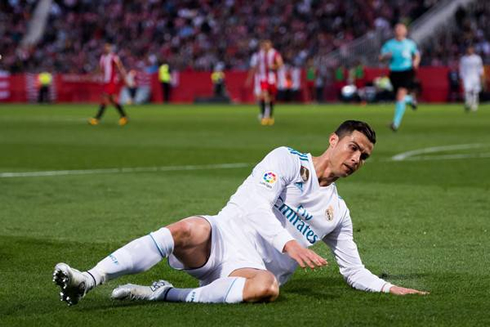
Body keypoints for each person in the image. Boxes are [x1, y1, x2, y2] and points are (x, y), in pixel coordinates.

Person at [53, 120, 428, 306]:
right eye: (353, 147)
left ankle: (166, 294)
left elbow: (352, 269)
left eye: (364, 156)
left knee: (269, 288)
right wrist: (288, 245)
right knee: (188, 227)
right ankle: (89, 277)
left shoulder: (337, 213)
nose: (357, 159)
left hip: (250, 270)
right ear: (333, 140)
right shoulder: (285, 159)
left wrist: (389, 287)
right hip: (220, 238)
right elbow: (255, 205)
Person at [379, 23, 421, 132]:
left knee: (400, 95)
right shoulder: (389, 44)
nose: (398, 30)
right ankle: (411, 99)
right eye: (397, 28)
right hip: (394, 72)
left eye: (401, 28)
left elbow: (416, 55)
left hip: (407, 71)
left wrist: (415, 62)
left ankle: (395, 123)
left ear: (405, 31)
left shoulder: (410, 44)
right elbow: (381, 58)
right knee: (399, 98)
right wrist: (385, 56)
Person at [89, 43, 129, 126]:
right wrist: (93, 74)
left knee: (104, 98)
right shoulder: (102, 57)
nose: (106, 49)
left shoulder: (114, 57)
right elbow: (100, 68)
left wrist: (124, 77)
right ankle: (124, 116)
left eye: (108, 47)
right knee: (113, 100)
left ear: (110, 49)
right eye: (105, 47)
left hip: (112, 81)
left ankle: (96, 119)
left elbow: (120, 67)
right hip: (105, 81)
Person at [246, 40, 283, 126]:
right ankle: (265, 115)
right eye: (264, 45)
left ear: (270, 45)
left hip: (272, 78)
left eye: (267, 44)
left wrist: (273, 66)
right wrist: (250, 78)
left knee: (271, 97)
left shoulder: (275, 53)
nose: (265, 46)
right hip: (263, 78)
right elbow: (255, 66)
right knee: (264, 95)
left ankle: (270, 115)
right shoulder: (259, 54)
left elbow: (280, 64)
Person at [459, 45, 484, 112]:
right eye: (468, 49)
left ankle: (474, 105)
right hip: (467, 77)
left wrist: (481, 78)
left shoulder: (477, 58)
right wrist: (461, 78)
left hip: (475, 77)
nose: (469, 50)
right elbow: (461, 69)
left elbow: (480, 68)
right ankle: (468, 103)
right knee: (467, 91)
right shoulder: (463, 59)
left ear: (473, 49)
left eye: (470, 49)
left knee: (475, 92)